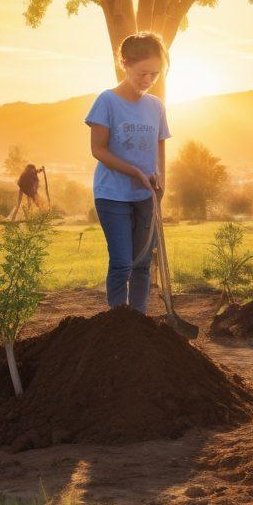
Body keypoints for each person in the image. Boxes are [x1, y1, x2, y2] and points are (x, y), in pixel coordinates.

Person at [86, 32, 171, 312]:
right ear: (125, 63)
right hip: (113, 194)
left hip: (146, 194)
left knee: (143, 263)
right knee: (123, 262)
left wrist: (161, 179)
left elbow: (159, 149)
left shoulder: (156, 107)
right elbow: (98, 149)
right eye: (142, 72)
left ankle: (138, 324)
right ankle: (118, 324)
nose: (148, 81)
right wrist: (134, 171)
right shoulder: (107, 101)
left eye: (155, 75)